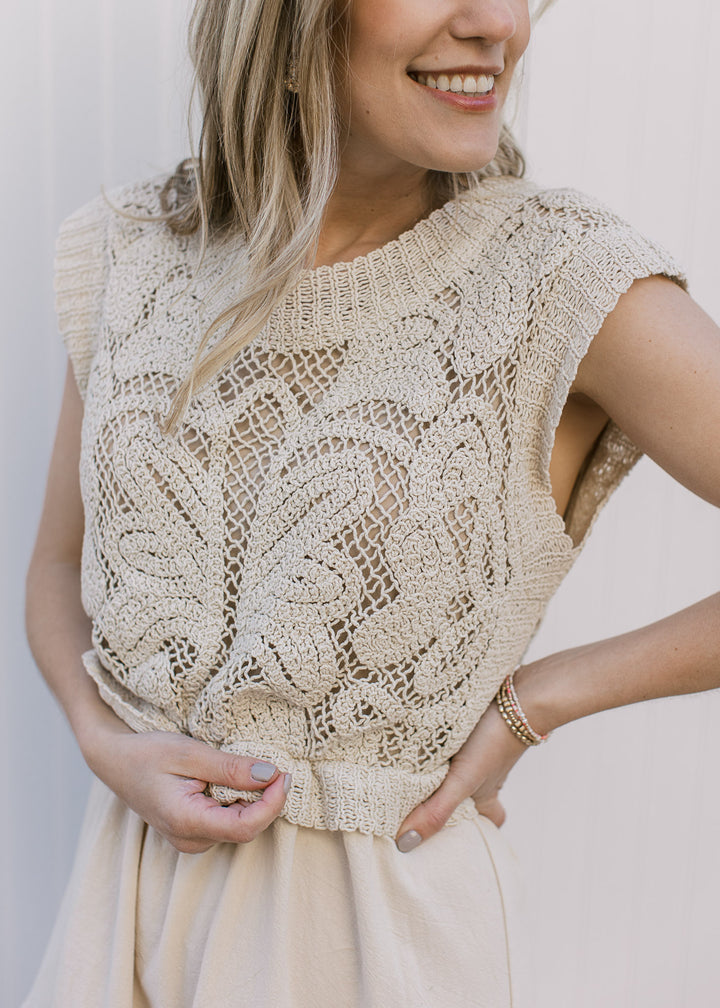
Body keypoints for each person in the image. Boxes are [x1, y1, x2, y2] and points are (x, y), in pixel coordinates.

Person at [23, 0, 720, 1005]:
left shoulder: (556, 278)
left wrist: (543, 700)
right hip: (118, 920)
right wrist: (106, 744)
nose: (498, 25)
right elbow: (55, 566)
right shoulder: (137, 252)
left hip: (367, 952)